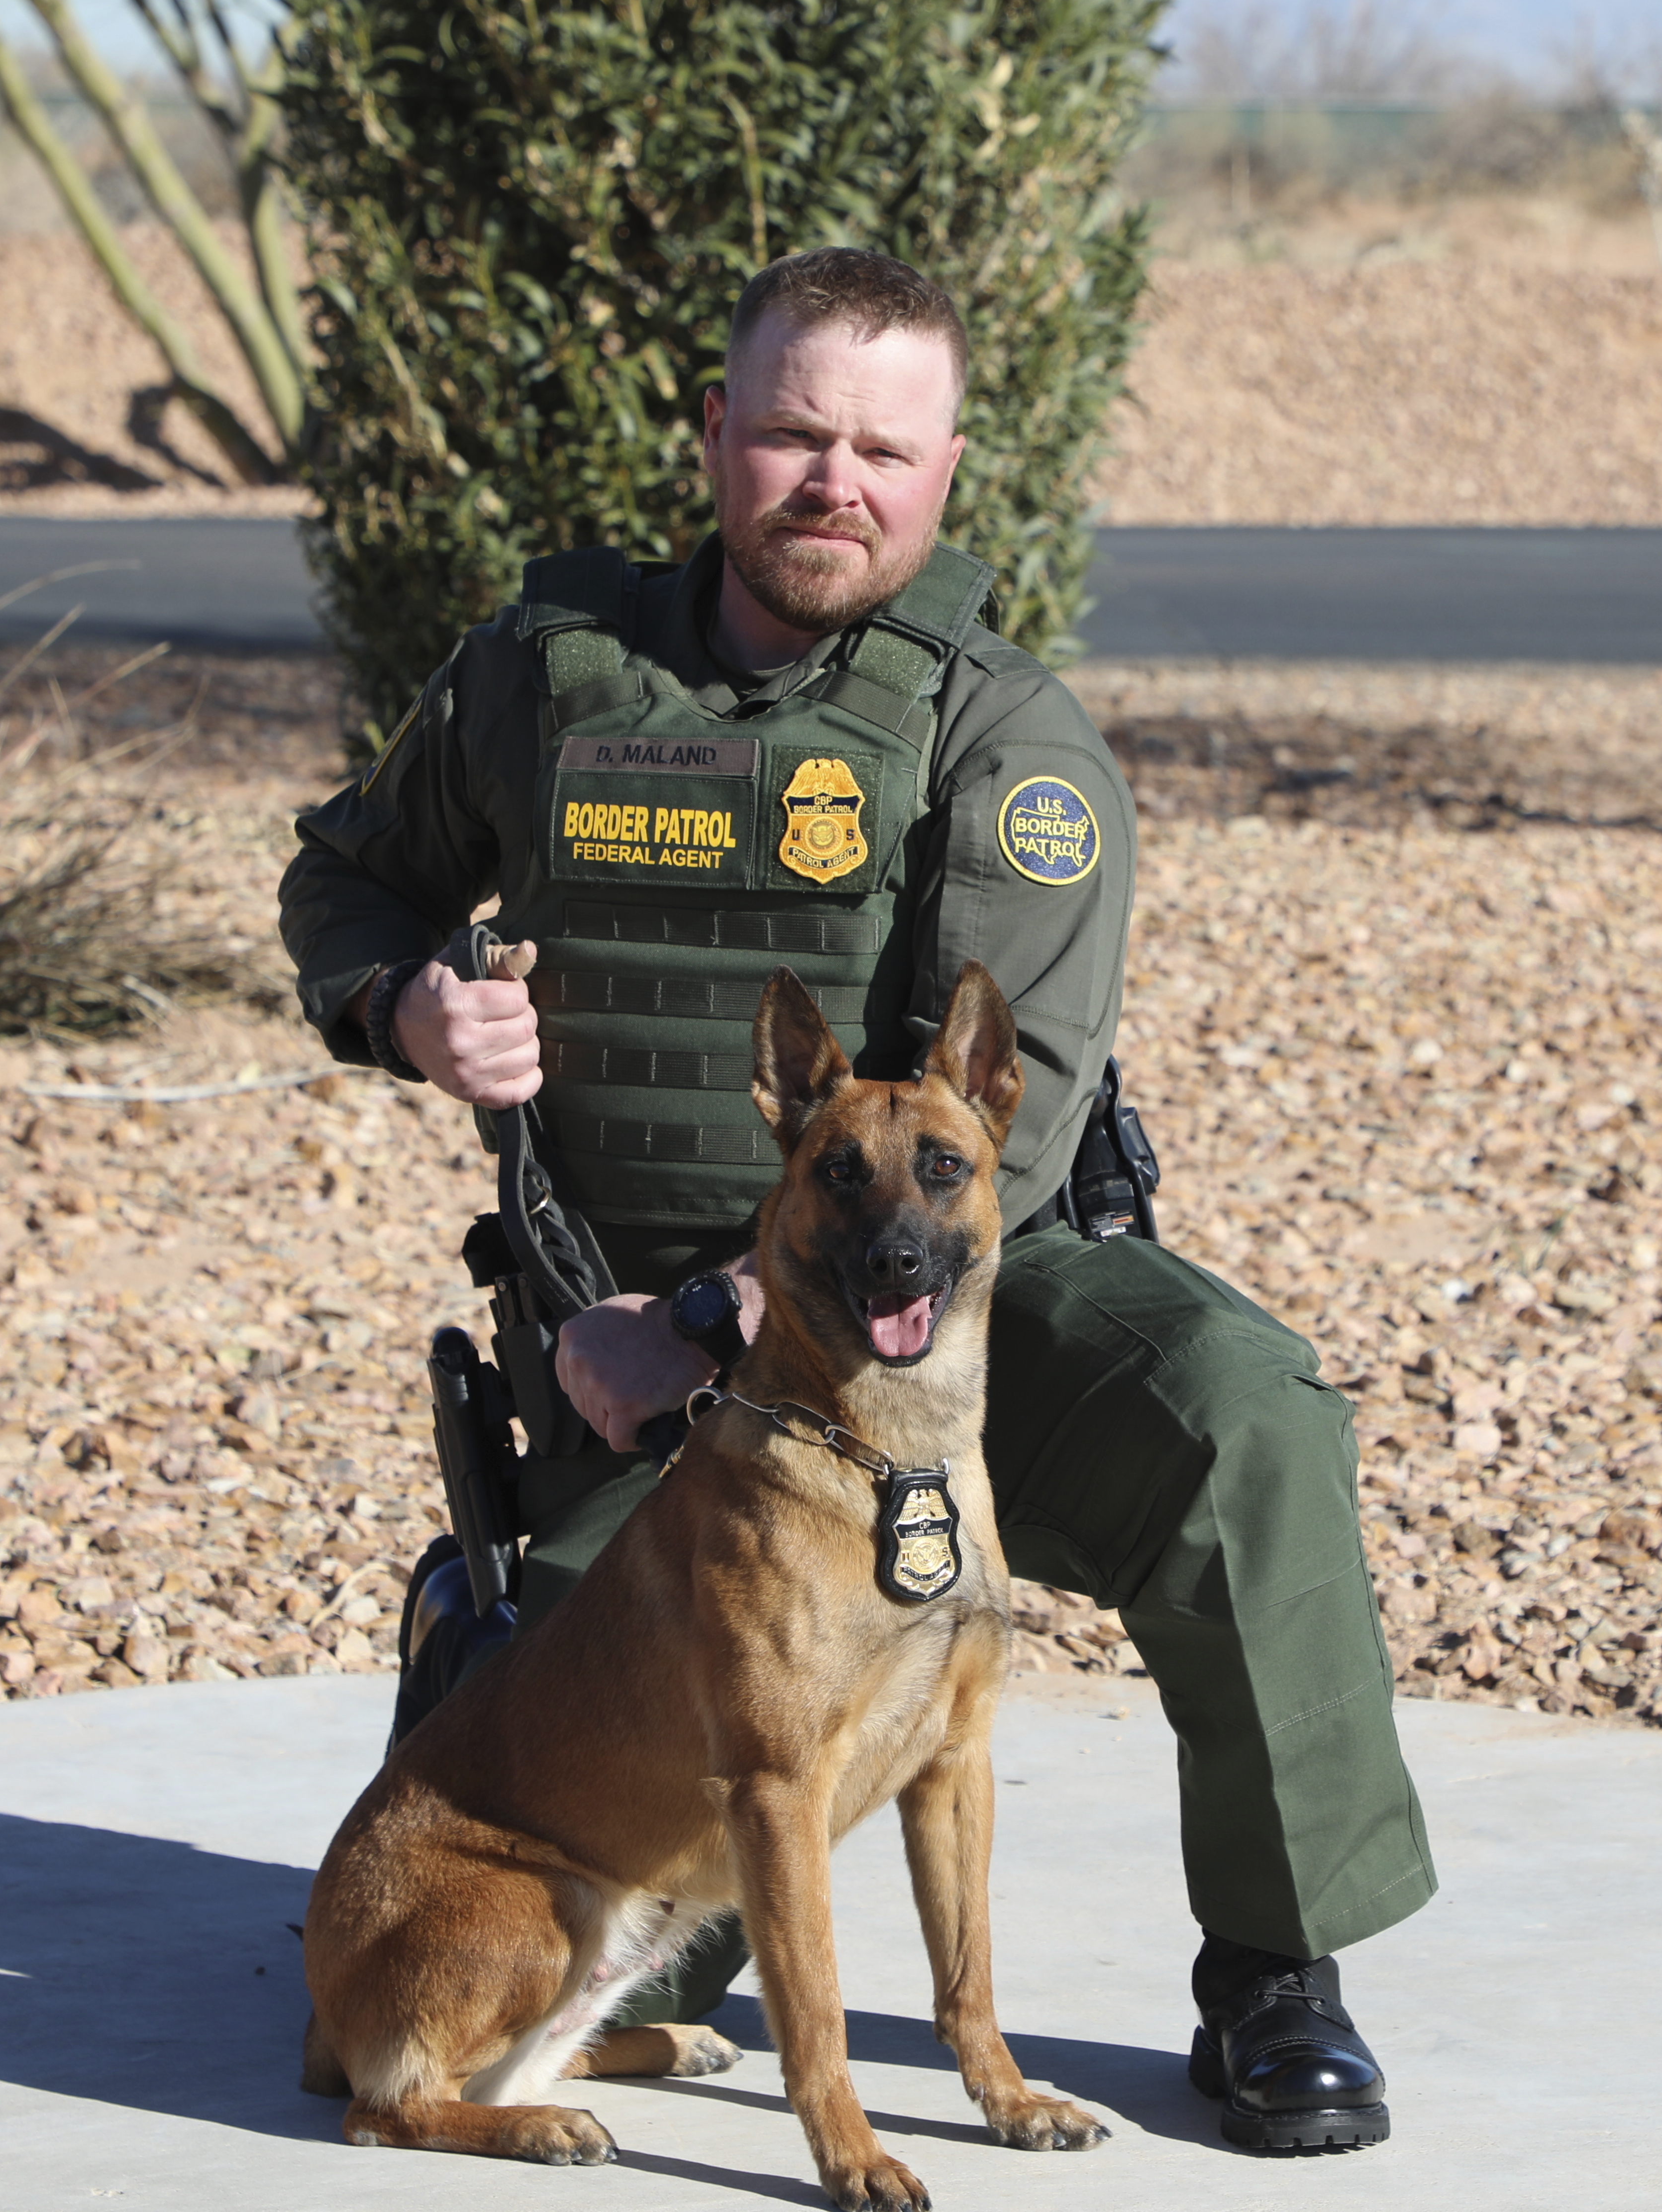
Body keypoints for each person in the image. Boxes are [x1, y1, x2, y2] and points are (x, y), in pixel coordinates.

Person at [278, 247, 1432, 2153]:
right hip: (622, 1386)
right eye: (798, 433)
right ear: (718, 434)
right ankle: (482, 1645)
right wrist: (406, 1003)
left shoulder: (1000, 739)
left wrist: (717, 1319)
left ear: (948, 470)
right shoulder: (544, 678)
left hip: (956, 1315)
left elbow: (996, 1133)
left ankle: (1280, 1972)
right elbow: (344, 881)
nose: (838, 482)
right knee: (606, 1933)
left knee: (1242, 1413)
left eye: (883, 450)